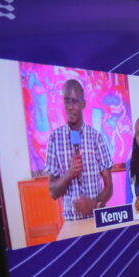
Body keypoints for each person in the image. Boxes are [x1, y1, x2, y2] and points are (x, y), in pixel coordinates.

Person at [43, 78, 114, 221]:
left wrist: (93, 204)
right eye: (67, 101)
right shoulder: (54, 139)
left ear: (83, 104)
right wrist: (70, 173)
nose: (70, 107)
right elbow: (53, 192)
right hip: (72, 223)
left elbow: (109, 187)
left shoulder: (96, 137)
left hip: (98, 219)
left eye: (74, 101)